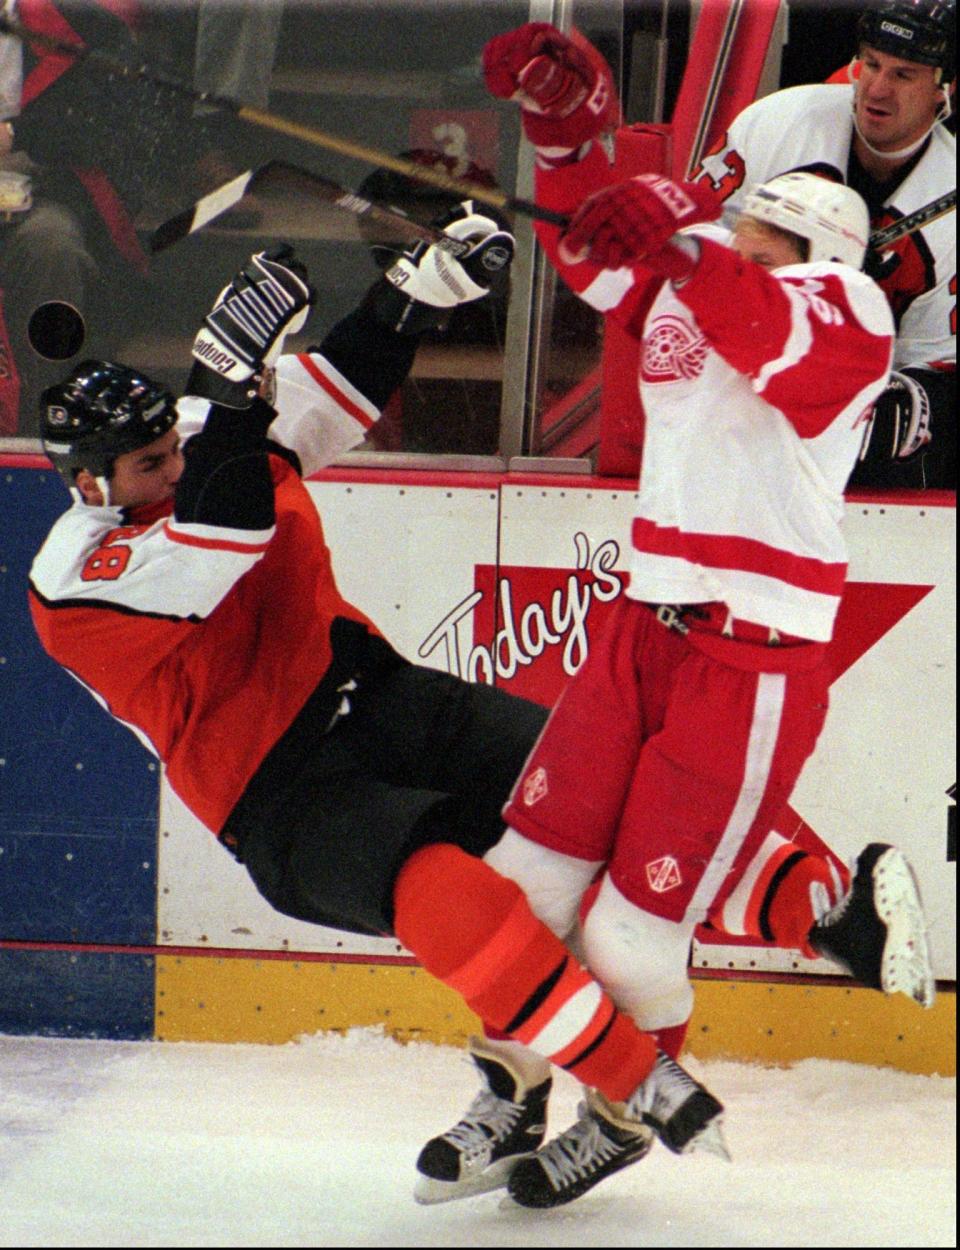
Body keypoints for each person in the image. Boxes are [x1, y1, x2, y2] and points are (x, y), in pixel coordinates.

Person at [28, 209, 733, 1194]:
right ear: (91, 480)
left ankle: (558, 1080)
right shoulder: (76, 578)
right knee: (455, 892)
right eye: (150, 466)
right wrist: (231, 385)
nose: (174, 467)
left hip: (376, 692)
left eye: (175, 448)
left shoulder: (192, 436)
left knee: (590, 781)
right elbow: (224, 535)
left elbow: (331, 393)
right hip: (281, 795)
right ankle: (622, 1088)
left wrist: (413, 293)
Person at [407, 21, 937, 1212]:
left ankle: (622, 1105)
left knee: (635, 942)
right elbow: (603, 258)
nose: (724, 234)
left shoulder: (846, 310)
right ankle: (510, 1086)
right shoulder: (705, 284)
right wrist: (566, 140)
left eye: (752, 228)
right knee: (522, 886)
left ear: (808, 244)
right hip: (644, 630)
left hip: (752, 654)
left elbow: (774, 332)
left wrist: (694, 258)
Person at [689, 0, 956, 490]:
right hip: (722, 385)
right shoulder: (777, 123)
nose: (876, 89)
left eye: (904, 74)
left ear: (943, 89)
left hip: (843, 431)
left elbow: (935, 365)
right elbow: (692, 240)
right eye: (871, 63)